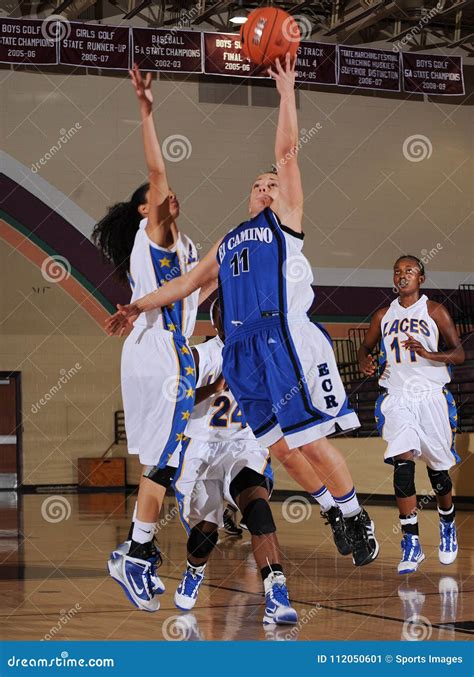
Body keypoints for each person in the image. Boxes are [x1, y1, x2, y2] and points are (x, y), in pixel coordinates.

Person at [105, 55, 378, 567]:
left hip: (286, 338)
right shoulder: (230, 241)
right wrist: (137, 305)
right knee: (278, 447)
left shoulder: (286, 224)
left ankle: (354, 512)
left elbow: (288, 154)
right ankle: (329, 508)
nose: (265, 186)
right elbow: (186, 283)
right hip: (241, 351)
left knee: (313, 440)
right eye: (258, 184)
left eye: (271, 183)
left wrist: (286, 92)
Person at [95, 65, 211, 611]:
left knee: (164, 462)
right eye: (157, 196)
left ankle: (139, 551)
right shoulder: (157, 233)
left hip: (164, 350)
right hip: (162, 353)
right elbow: (157, 170)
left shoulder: (184, 249)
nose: (169, 196)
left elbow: (208, 279)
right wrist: (146, 111)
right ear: (145, 210)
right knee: (165, 462)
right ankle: (134, 554)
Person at [172, 299, 297, 624]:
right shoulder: (201, 355)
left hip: (245, 446)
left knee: (257, 508)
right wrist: (214, 387)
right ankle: (194, 570)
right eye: (226, 316)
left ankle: (276, 593)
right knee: (205, 535)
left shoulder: (263, 354)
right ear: (215, 321)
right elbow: (172, 396)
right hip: (201, 450)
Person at [358, 255, 464, 574]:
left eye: (409, 271)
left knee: (438, 475)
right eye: (398, 272)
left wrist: (429, 353)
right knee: (402, 466)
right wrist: (365, 361)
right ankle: (411, 542)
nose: (403, 276)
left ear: (422, 278)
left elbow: (458, 353)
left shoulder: (434, 311)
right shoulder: (382, 315)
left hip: (430, 396)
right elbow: (365, 347)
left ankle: (447, 523)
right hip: (399, 397)